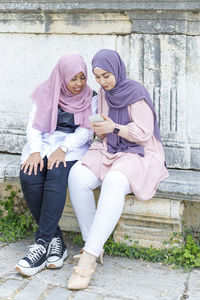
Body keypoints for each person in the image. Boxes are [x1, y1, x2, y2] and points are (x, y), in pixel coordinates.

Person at [67, 49, 169, 290]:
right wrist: (101, 129)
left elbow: (144, 132)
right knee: (77, 175)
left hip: (140, 151)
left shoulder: (135, 92)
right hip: (111, 146)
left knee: (114, 180)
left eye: (106, 75)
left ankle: (88, 260)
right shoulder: (104, 93)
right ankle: (92, 243)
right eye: (97, 76)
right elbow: (105, 124)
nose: (102, 81)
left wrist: (114, 128)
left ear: (117, 70)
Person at [15, 54, 97, 277]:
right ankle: (55, 240)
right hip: (42, 144)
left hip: (72, 148)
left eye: (82, 77)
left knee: (56, 172)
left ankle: (41, 245)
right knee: (29, 174)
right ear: (62, 77)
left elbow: (87, 130)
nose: (79, 84)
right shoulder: (46, 91)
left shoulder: (91, 97)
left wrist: (64, 148)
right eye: (73, 78)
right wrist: (34, 151)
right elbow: (34, 125)